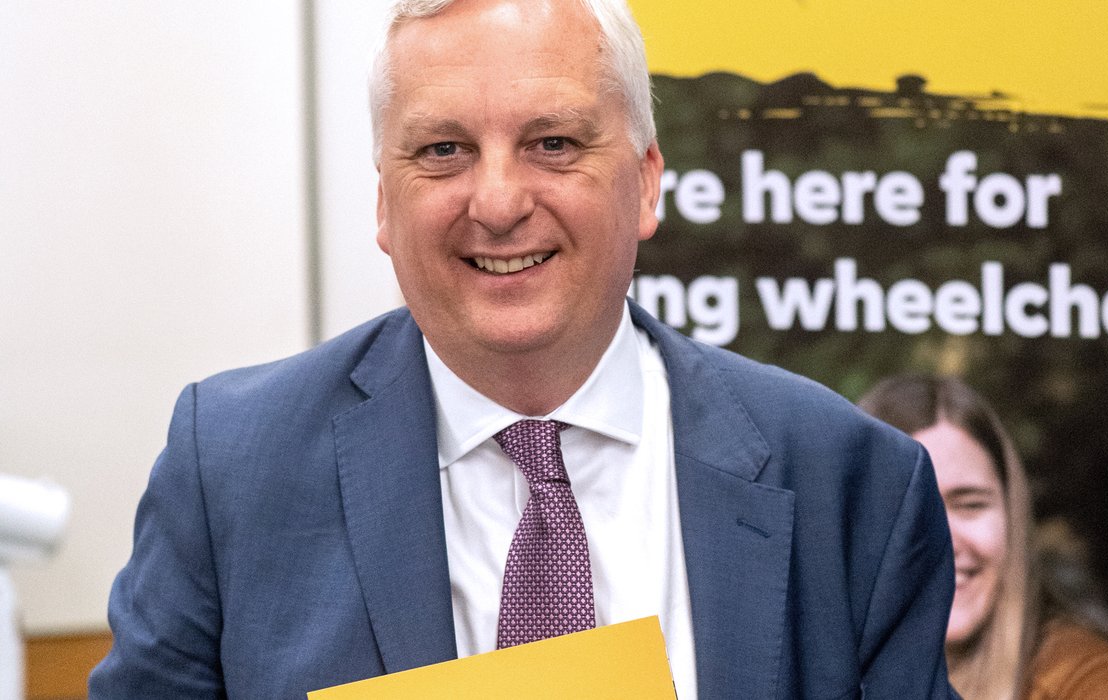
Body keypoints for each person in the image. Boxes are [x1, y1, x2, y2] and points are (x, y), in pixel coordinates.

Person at [89, 1, 958, 697]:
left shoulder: (852, 483)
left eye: (553, 143)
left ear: (647, 182)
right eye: (443, 150)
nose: (498, 202)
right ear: (385, 204)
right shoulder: (232, 469)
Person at [859, 375, 1108, 700]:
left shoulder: (1092, 682)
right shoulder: (813, 674)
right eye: (907, 510)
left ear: (1012, 515)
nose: (944, 545)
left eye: (971, 504)